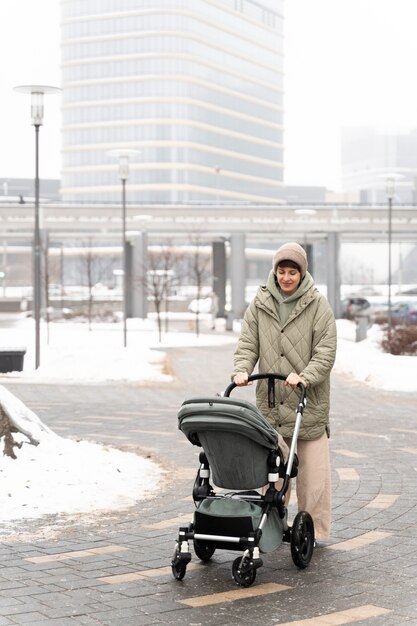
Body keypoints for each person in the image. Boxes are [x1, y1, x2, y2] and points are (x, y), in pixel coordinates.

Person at [232, 242, 337, 543]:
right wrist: (241, 369)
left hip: (308, 404)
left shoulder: (318, 305)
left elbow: (325, 352)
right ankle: (272, 530)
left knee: (313, 480)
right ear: (275, 271)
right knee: (273, 474)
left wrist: (306, 376)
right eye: (282, 270)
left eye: (293, 272)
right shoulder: (260, 303)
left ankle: (313, 535)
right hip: (272, 406)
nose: (287, 277)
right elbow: (248, 344)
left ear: (302, 273)